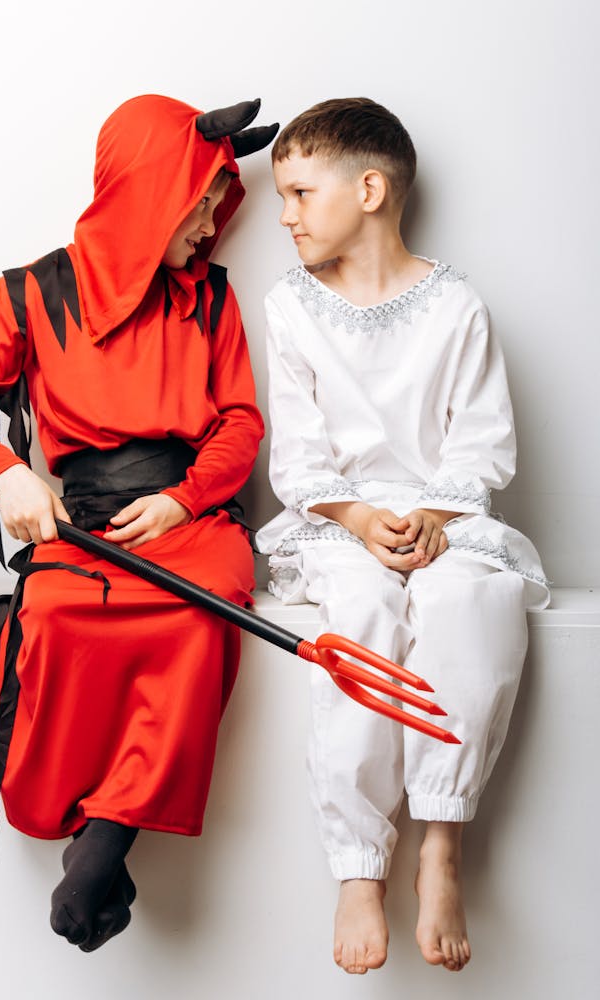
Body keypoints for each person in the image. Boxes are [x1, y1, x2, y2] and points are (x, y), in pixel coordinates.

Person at [0, 94, 275, 951]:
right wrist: (9, 474)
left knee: (204, 615)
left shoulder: (210, 300)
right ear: (153, 190)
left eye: (218, 208)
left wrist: (185, 500)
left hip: (189, 517)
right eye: (199, 205)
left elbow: (239, 423)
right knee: (52, 616)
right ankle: (86, 829)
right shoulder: (30, 292)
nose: (210, 227)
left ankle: (105, 842)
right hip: (80, 527)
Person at [255, 98, 548, 975]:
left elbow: (483, 444)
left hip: (445, 514)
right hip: (339, 523)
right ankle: (357, 864)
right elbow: (300, 458)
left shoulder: (455, 305)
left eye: (301, 192)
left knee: (473, 599)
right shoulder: (289, 306)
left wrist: (435, 518)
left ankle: (441, 839)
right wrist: (354, 518)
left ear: (371, 189)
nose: (286, 214)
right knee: (362, 612)